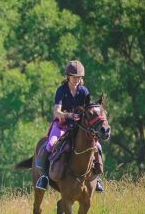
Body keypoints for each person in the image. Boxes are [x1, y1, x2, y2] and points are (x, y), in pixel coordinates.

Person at [36, 60, 104, 192]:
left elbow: (88, 110)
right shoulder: (61, 90)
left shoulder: (84, 91)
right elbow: (57, 111)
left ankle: (97, 176)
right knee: (50, 143)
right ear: (68, 76)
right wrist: (69, 116)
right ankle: (44, 177)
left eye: (79, 77)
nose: (77, 79)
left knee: (97, 146)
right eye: (74, 77)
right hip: (62, 125)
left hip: (80, 127)